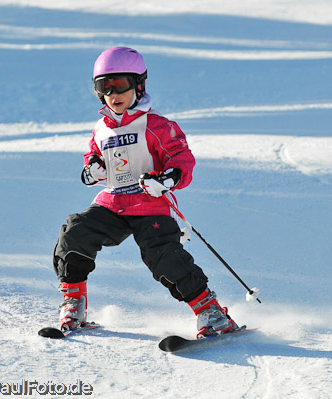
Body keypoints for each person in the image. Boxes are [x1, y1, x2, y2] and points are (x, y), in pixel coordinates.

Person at [53, 46, 238, 338]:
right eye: (104, 87)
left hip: (150, 204)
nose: (113, 94)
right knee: (75, 231)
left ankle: (210, 312)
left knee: (162, 254)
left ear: (139, 85)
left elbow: (182, 160)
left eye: (121, 85)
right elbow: (92, 156)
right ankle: (74, 304)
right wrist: (93, 169)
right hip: (113, 203)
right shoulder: (101, 129)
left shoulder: (157, 126)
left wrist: (167, 179)